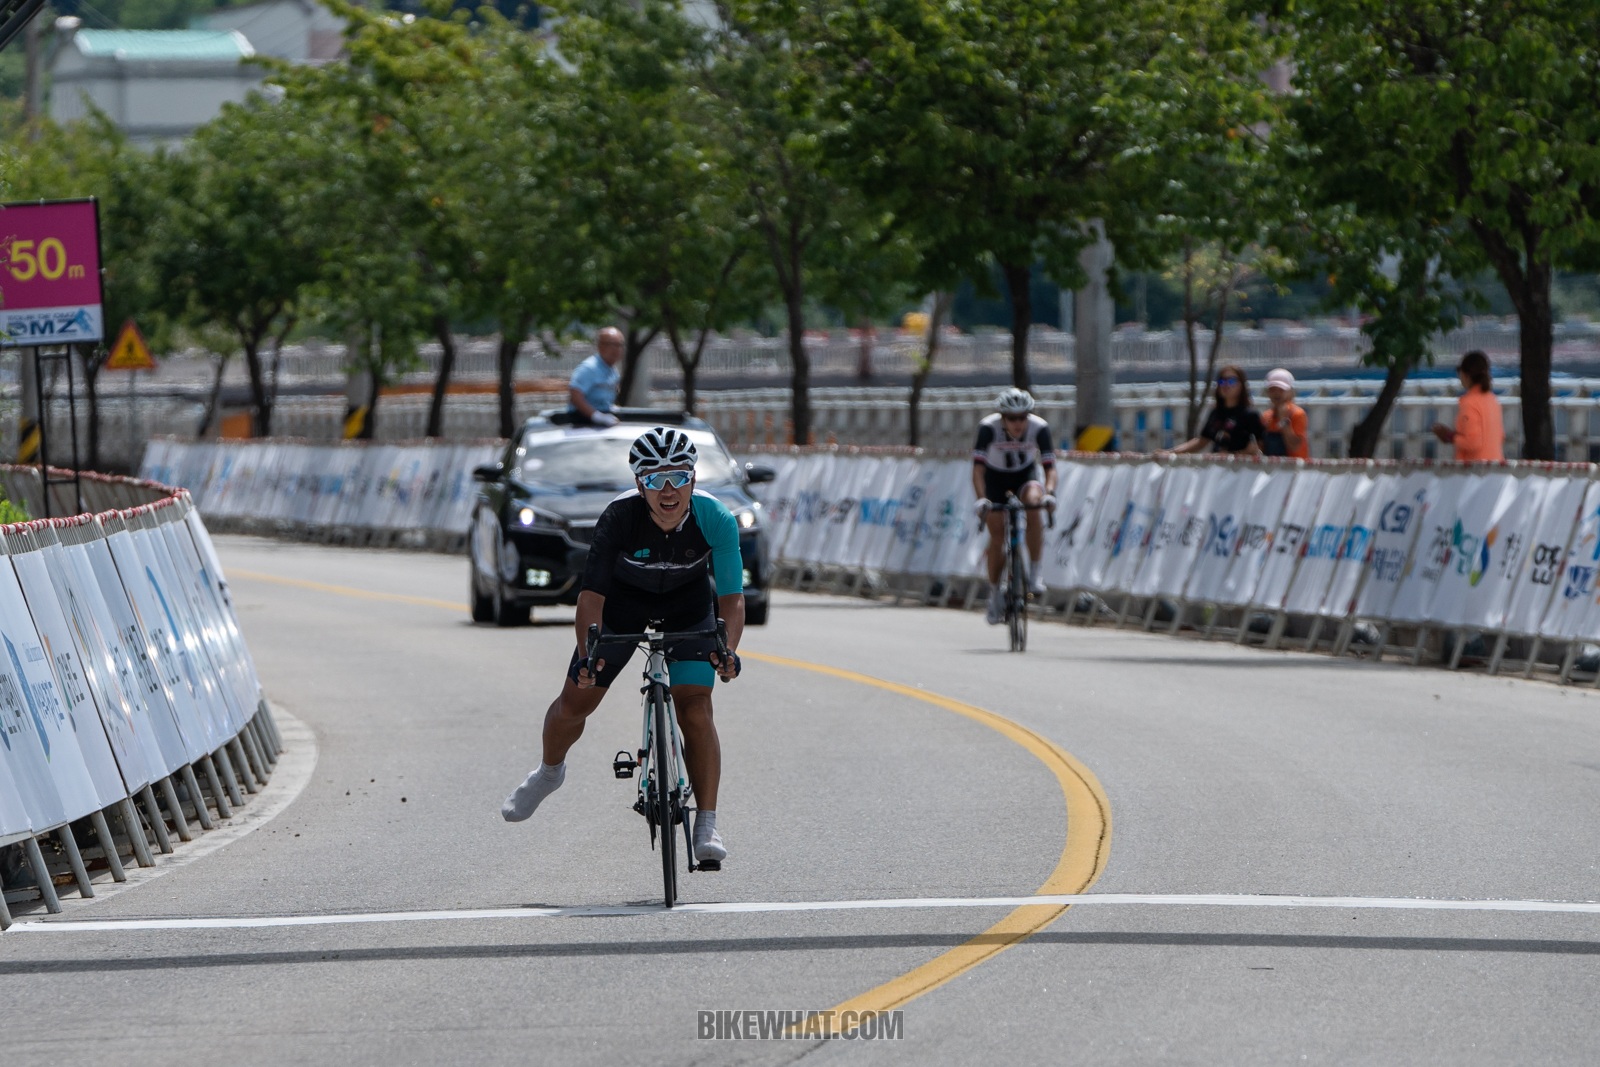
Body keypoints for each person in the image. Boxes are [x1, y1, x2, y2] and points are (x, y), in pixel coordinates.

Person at [501, 427, 745, 866]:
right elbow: (591, 596)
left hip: (688, 607)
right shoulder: (618, 517)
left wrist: (727, 649)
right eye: (654, 479)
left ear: (693, 479)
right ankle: (549, 771)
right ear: (638, 484)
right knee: (575, 702)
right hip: (622, 604)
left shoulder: (716, 518)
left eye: (678, 477)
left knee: (696, 709)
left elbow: (732, 597)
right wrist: (587, 655)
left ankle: (706, 824)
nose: (668, 490)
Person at [972, 387, 1058, 624]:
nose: (1018, 423)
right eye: (1012, 418)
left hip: (1024, 475)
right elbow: (977, 470)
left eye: (1022, 417)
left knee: (1034, 505)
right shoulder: (988, 428)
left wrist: (1049, 494)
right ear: (1002, 417)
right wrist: (981, 498)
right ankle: (993, 595)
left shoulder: (1039, 427)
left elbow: (1050, 468)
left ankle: (1035, 574)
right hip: (995, 479)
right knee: (997, 536)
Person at [1165, 365, 1265, 456]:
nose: (1226, 385)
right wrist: (1170, 452)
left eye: (1231, 381)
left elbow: (1261, 445)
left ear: (1241, 385)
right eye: (1222, 381)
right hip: (1217, 466)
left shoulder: (1250, 414)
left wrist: (1243, 453)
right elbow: (1202, 441)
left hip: (1240, 466)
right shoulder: (1216, 413)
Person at [1432, 350, 1505, 462]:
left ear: (1466, 375)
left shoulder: (1470, 403)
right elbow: (1500, 436)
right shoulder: (1492, 400)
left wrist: (1450, 437)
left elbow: (1473, 442)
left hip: (1475, 468)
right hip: (1495, 465)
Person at [567, 327, 625, 426]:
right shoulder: (589, 368)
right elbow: (575, 396)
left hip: (601, 422)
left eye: (620, 345)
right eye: (612, 344)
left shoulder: (612, 370)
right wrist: (596, 416)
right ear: (600, 346)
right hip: (581, 423)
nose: (617, 349)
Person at [1261, 368, 1310, 459]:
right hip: (1272, 465)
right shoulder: (1266, 416)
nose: (1276, 394)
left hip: (1294, 465)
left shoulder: (1298, 414)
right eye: (1272, 390)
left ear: (1290, 392)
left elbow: (1294, 447)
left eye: (1281, 390)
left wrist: (1283, 421)